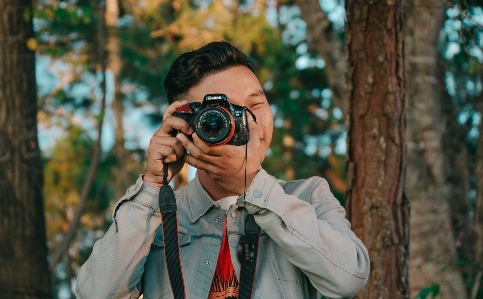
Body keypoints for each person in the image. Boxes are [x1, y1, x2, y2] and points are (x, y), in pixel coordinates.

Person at [75, 41, 370, 299]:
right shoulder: (156, 216)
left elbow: (348, 280)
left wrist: (251, 184)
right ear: (185, 124)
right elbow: (95, 294)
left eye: (255, 104)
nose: (248, 122)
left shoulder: (308, 196)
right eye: (223, 114)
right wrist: (153, 186)